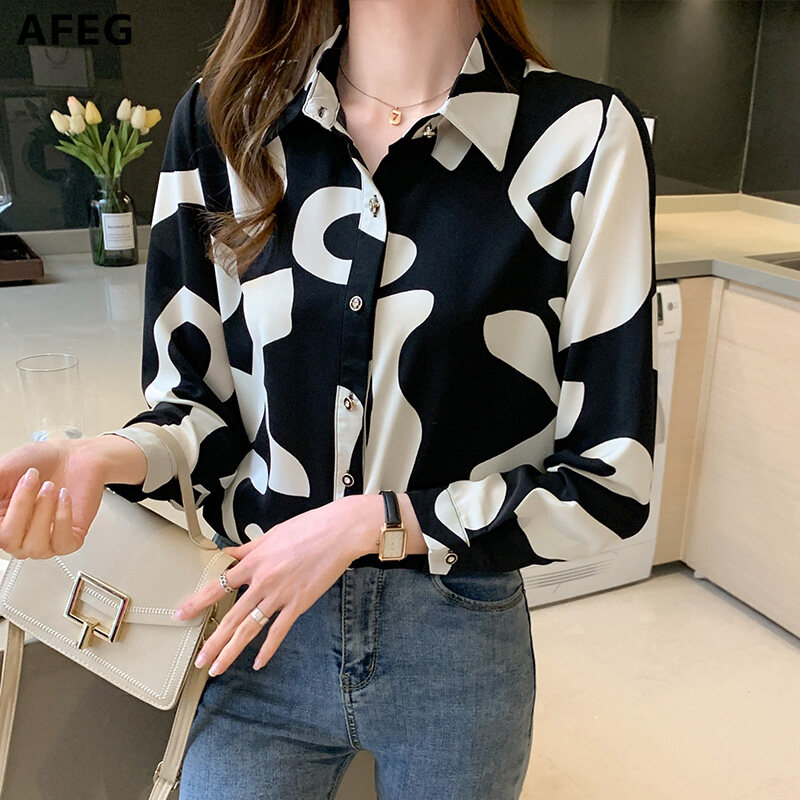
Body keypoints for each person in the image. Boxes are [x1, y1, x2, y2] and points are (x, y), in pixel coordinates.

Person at [0, 1, 657, 797]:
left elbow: (610, 480)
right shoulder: (224, 122)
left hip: (455, 640)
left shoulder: (584, 137)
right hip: (255, 633)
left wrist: (368, 523)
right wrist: (109, 456)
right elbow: (196, 408)